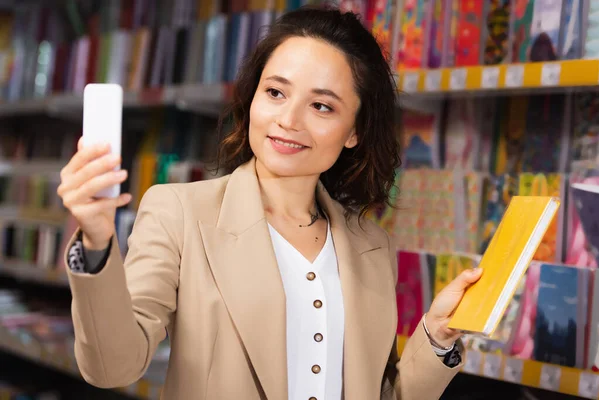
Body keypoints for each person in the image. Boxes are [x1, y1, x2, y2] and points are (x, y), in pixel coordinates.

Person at [57, 6, 482, 400]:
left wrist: (437, 336)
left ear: (354, 131)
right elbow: (112, 367)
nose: (288, 120)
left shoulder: (371, 244)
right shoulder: (179, 212)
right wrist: (96, 243)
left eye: (321, 105)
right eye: (276, 93)